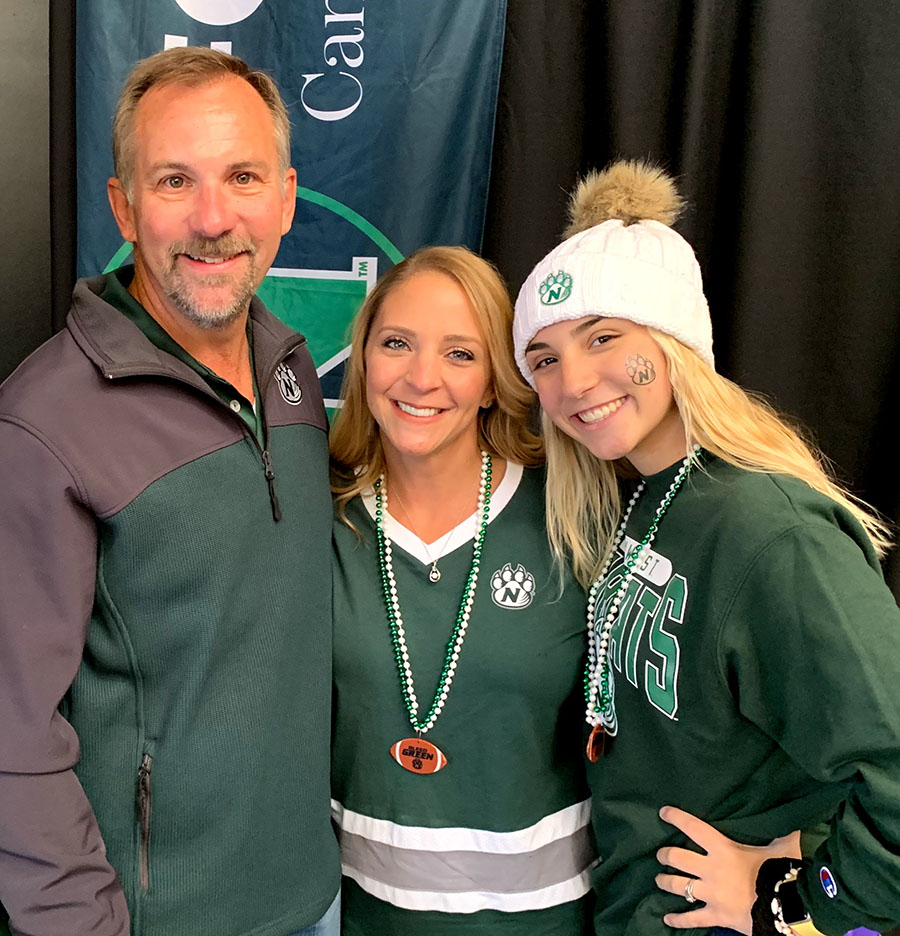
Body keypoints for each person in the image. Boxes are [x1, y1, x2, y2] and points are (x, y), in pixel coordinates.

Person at [0, 47, 339, 936]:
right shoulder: (43, 424)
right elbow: (10, 731)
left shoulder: (293, 368)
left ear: (289, 196)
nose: (215, 217)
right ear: (123, 204)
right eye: (175, 181)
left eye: (243, 176)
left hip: (314, 895)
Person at [512, 160, 900, 936]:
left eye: (604, 337)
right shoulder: (651, 497)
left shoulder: (770, 529)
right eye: (545, 359)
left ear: (676, 340)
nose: (575, 381)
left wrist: (792, 901)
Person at [329, 246, 597, 934]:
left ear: (492, 381)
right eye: (397, 344)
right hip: (354, 919)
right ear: (363, 361)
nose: (422, 378)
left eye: (459, 354)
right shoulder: (318, 520)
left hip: (542, 922)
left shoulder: (570, 516)